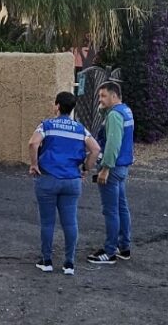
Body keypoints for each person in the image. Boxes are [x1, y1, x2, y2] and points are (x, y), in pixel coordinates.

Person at [29, 91, 100, 276]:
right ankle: (69, 263)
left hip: (48, 178)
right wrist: (86, 168)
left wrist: (35, 164)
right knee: (70, 222)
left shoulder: (47, 125)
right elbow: (95, 149)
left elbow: (33, 143)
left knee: (47, 222)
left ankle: (47, 261)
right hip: (72, 180)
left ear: (57, 106)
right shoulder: (80, 128)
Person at [87, 80, 134, 265]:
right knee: (122, 208)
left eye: (104, 96)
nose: (101, 99)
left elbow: (113, 143)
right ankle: (124, 247)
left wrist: (105, 168)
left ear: (114, 96)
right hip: (123, 167)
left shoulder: (114, 115)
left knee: (111, 210)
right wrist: (102, 108)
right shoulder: (125, 111)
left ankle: (109, 251)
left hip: (112, 168)